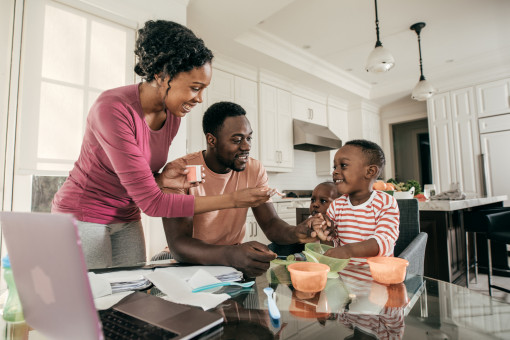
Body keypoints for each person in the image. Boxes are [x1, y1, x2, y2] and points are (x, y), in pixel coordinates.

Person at [51, 20, 273, 270]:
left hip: (126, 215)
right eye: (194, 88)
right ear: (162, 76)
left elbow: (134, 176)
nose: (200, 99)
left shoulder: (173, 116)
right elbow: (153, 204)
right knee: (95, 299)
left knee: (133, 292)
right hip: (85, 213)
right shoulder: (112, 109)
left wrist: (160, 178)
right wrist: (233, 199)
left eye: (203, 89)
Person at [162, 101, 323, 277]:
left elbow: (271, 224)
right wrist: (231, 254)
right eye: (237, 140)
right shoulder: (181, 171)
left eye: (249, 138)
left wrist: (296, 232)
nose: (246, 146)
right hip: (191, 261)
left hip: (233, 259)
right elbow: (179, 245)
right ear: (211, 140)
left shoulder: (254, 169)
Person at [311, 139, 400, 264]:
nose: (335, 171)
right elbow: (334, 248)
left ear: (370, 171)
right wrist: (325, 237)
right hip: (343, 274)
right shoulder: (336, 206)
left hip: (376, 276)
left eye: (343, 165)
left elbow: (384, 241)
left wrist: (348, 250)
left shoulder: (385, 202)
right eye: (335, 166)